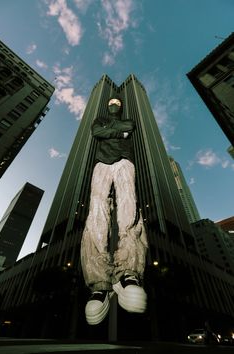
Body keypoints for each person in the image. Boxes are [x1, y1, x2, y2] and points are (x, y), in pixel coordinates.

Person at [80, 96, 148, 325]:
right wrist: (117, 131)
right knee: (96, 212)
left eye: (118, 103)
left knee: (129, 207)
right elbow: (97, 133)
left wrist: (113, 129)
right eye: (112, 102)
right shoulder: (99, 119)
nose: (115, 105)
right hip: (101, 164)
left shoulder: (127, 120)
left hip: (125, 161)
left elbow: (128, 127)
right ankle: (100, 285)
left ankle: (129, 274)